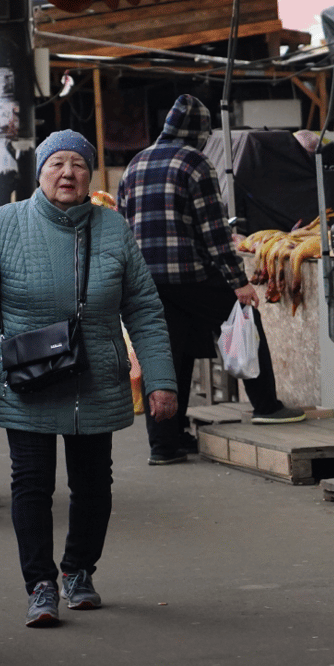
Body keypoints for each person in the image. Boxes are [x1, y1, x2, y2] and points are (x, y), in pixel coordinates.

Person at [0, 131, 179, 627]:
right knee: (31, 483)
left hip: (95, 377)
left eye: (78, 164)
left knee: (94, 484)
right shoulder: (5, 225)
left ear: (90, 175)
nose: (68, 173)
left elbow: (143, 308)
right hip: (27, 378)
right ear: (40, 173)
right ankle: (39, 585)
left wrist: (161, 379)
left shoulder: (114, 228)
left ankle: (78, 571)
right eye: (57, 164)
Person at [117, 94, 305, 468]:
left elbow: (122, 226)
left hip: (146, 282)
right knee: (243, 319)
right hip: (193, 275)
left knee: (169, 354)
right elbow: (214, 232)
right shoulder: (196, 162)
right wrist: (238, 282)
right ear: (199, 133)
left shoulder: (134, 164)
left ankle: (165, 445)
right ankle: (266, 404)